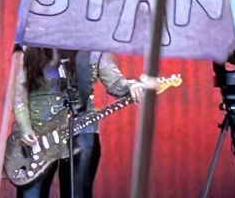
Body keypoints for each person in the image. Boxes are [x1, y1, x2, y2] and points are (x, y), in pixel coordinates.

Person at [12, 47, 156, 198]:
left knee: (78, 193)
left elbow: (115, 84)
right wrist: (25, 127)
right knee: (31, 193)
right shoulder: (29, 48)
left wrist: (133, 86)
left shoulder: (94, 49)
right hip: (39, 136)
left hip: (81, 130)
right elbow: (19, 96)